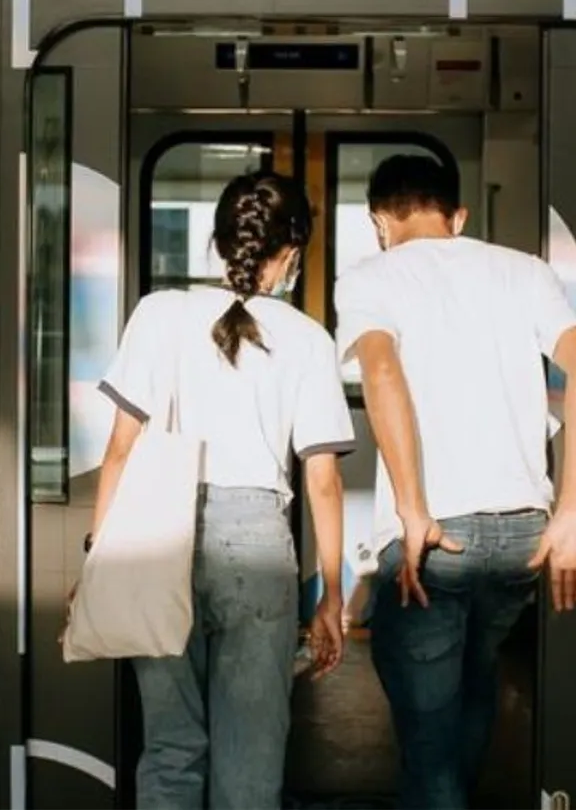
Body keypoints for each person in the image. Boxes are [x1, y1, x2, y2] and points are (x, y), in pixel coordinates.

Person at [334, 154, 576, 809]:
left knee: (428, 739)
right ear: (457, 215)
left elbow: (381, 374)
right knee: (475, 678)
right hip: (523, 535)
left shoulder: (370, 276)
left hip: (437, 536)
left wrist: (411, 508)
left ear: (379, 220)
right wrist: (573, 510)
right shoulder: (526, 272)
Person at [89, 171, 356, 810]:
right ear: (292, 251)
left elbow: (120, 452)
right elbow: (322, 478)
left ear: (217, 241)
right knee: (252, 756)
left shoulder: (158, 313)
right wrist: (331, 596)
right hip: (257, 545)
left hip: (156, 536)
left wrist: (102, 558)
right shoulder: (309, 339)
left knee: (172, 746)